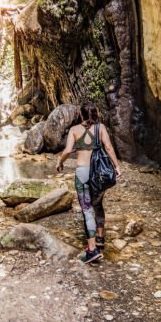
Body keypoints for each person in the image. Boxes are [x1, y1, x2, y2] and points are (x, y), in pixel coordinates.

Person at [56, 103, 122, 264]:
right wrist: (117, 166)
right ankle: (100, 238)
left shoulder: (75, 130)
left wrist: (60, 162)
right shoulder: (101, 128)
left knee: (87, 209)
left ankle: (92, 250)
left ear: (80, 114)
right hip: (99, 174)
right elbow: (108, 147)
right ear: (96, 114)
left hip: (83, 173)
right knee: (98, 204)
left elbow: (67, 151)